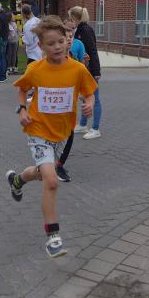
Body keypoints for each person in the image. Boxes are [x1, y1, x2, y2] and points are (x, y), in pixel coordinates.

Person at [6, 16, 98, 258]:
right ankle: (53, 237)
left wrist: (88, 104)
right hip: (38, 130)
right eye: (50, 43)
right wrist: (22, 110)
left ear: (67, 41)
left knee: (41, 174)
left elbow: (90, 92)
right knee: (52, 180)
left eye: (60, 41)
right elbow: (22, 89)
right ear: (41, 46)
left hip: (62, 134)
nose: (57, 47)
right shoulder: (35, 69)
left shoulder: (77, 69)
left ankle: (18, 180)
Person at [55, 25, 87, 182]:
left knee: (69, 135)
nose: (69, 40)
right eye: (66, 37)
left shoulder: (73, 58)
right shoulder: (53, 59)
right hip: (54, 107)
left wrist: (84, 97)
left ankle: (58, 164)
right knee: (58, 136)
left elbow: (80, 78)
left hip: (69, 106)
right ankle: (53, 165)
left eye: (71, 37)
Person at [70, 6, 102, 139]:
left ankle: (95, 128)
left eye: (71, 18)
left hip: (91, 70)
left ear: (75, 17)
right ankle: (83, 125)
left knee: (95, 98)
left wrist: (96, 71)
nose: (70, 21)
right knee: (84, 96)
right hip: (85, 69)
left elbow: (92, 50)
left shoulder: (85, 30)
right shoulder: (80, 29)